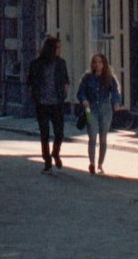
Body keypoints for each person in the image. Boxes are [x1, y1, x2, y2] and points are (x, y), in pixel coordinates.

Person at [27, 36, 70, 173]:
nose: (59, 50)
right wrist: (36, 96)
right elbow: (30, 82)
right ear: (51, 48)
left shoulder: (61, 63)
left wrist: (63, 94)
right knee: (44, 134)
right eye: (57, 47)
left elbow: (65, 80)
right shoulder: (36, 64)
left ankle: (55, 153)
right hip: (42, 104)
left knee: (59, 133)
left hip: (56, 103)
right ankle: (47, 161)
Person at [76, 52, 121, 174]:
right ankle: (91, 163)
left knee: (103, 137)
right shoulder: (87, 78)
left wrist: (116, 102)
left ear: (104, 64)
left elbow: (115, 92)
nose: (97, 64)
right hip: (90, 110)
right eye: (95, 62)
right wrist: (84, 100)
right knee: (92, 136)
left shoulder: (109, 78)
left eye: (100, 62)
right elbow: (80, 92)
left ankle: (100, 163)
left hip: (106, 109)